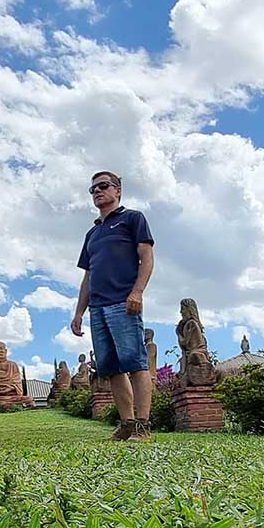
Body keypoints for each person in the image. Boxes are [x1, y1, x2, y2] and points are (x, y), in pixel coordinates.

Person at [71, 171, 156, 440]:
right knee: (111, 368)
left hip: (124, 302)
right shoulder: (92, 233)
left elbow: (147, 257)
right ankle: (126, 424)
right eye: (92, 188)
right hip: (98, 308)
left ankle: (143, 426)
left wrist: (137, 292)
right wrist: (79, 312)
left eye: (103, 186)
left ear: (117, 190)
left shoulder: (132, 219)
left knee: (135, 363)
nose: (97, 191)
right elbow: (88, 275)